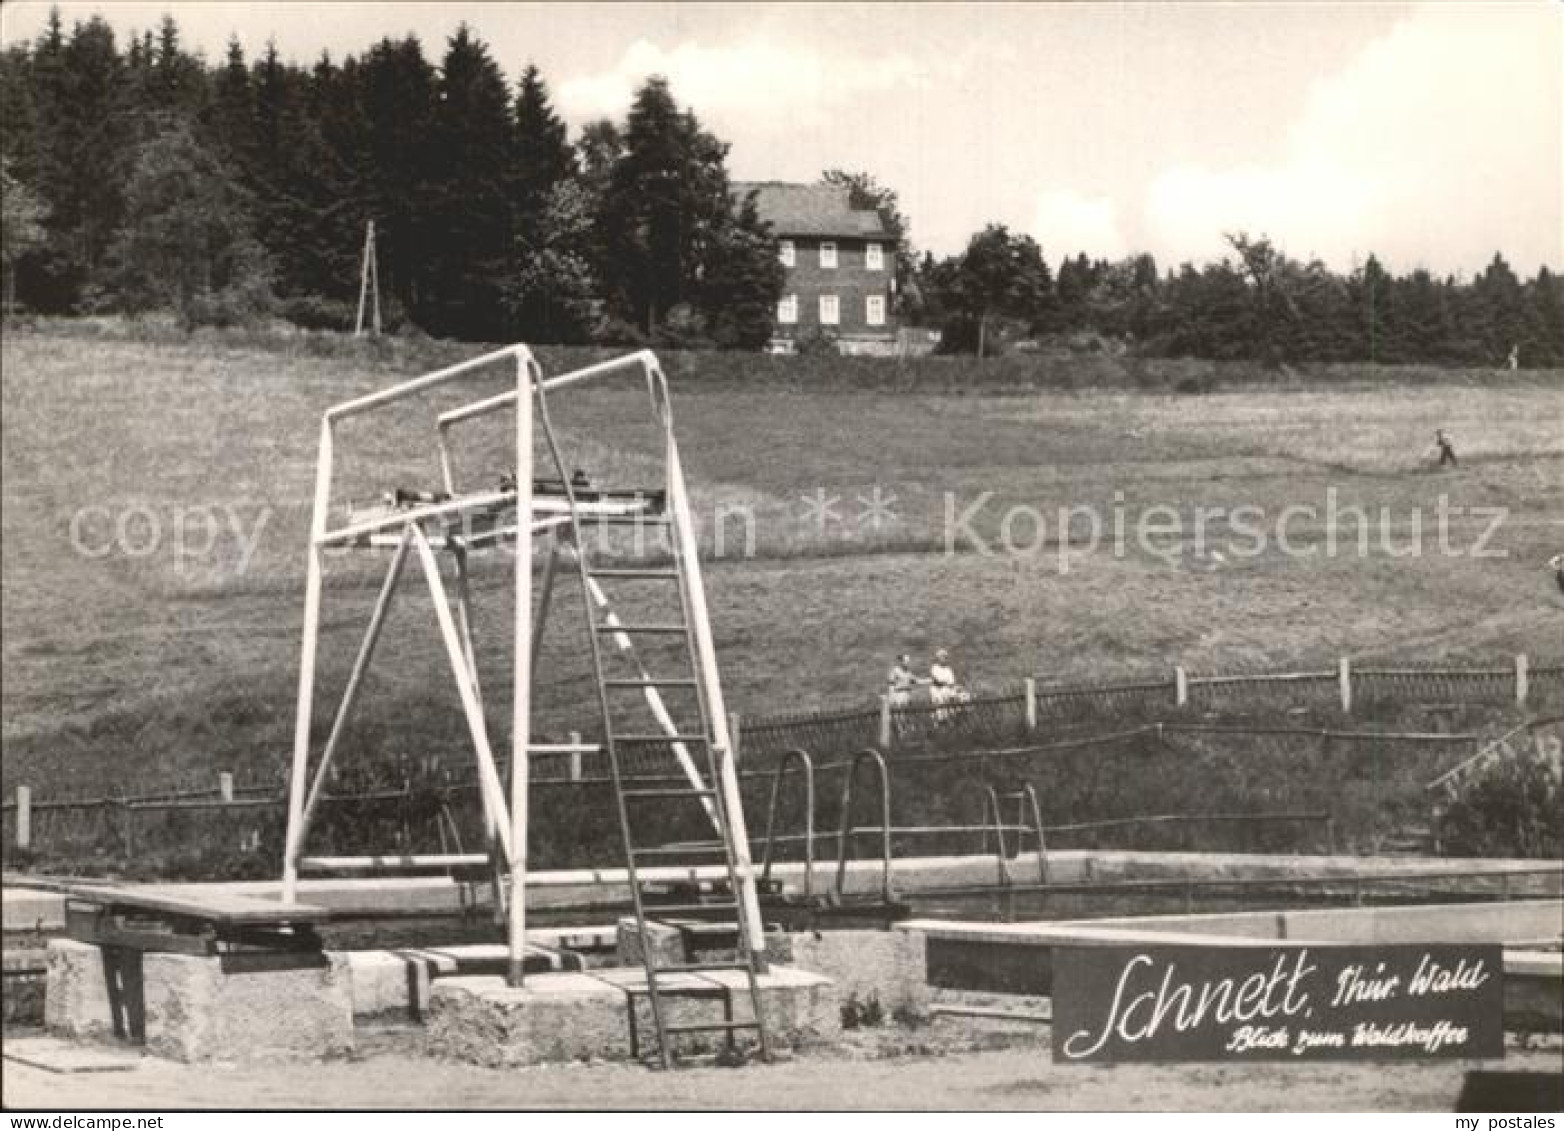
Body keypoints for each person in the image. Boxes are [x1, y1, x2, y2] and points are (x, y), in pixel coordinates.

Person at [928, 648, 959, 721]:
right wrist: (946, 683)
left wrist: (950, 685)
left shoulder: (948, 669)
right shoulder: (934, 668)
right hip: (937, 690)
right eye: (942, 657)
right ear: (938, 658)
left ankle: (949, 719)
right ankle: (939, 721)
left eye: (945, 657)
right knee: (939, 707)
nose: (944, 659)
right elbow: (937, 681)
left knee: (952, 702)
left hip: (947, 690)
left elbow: (952, 681)